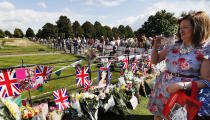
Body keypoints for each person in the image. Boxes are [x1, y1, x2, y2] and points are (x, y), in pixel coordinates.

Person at [148, 11, 210, 120]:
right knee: (158, 115)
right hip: (163, 87)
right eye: (180, 27)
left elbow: (206, 81)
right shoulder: (173, 44)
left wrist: (181, 85)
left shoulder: (205, 48)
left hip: (185, 94)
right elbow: (155, 61)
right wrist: (155, 47)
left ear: (198, 28)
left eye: (185, 27)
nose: (181, 30)